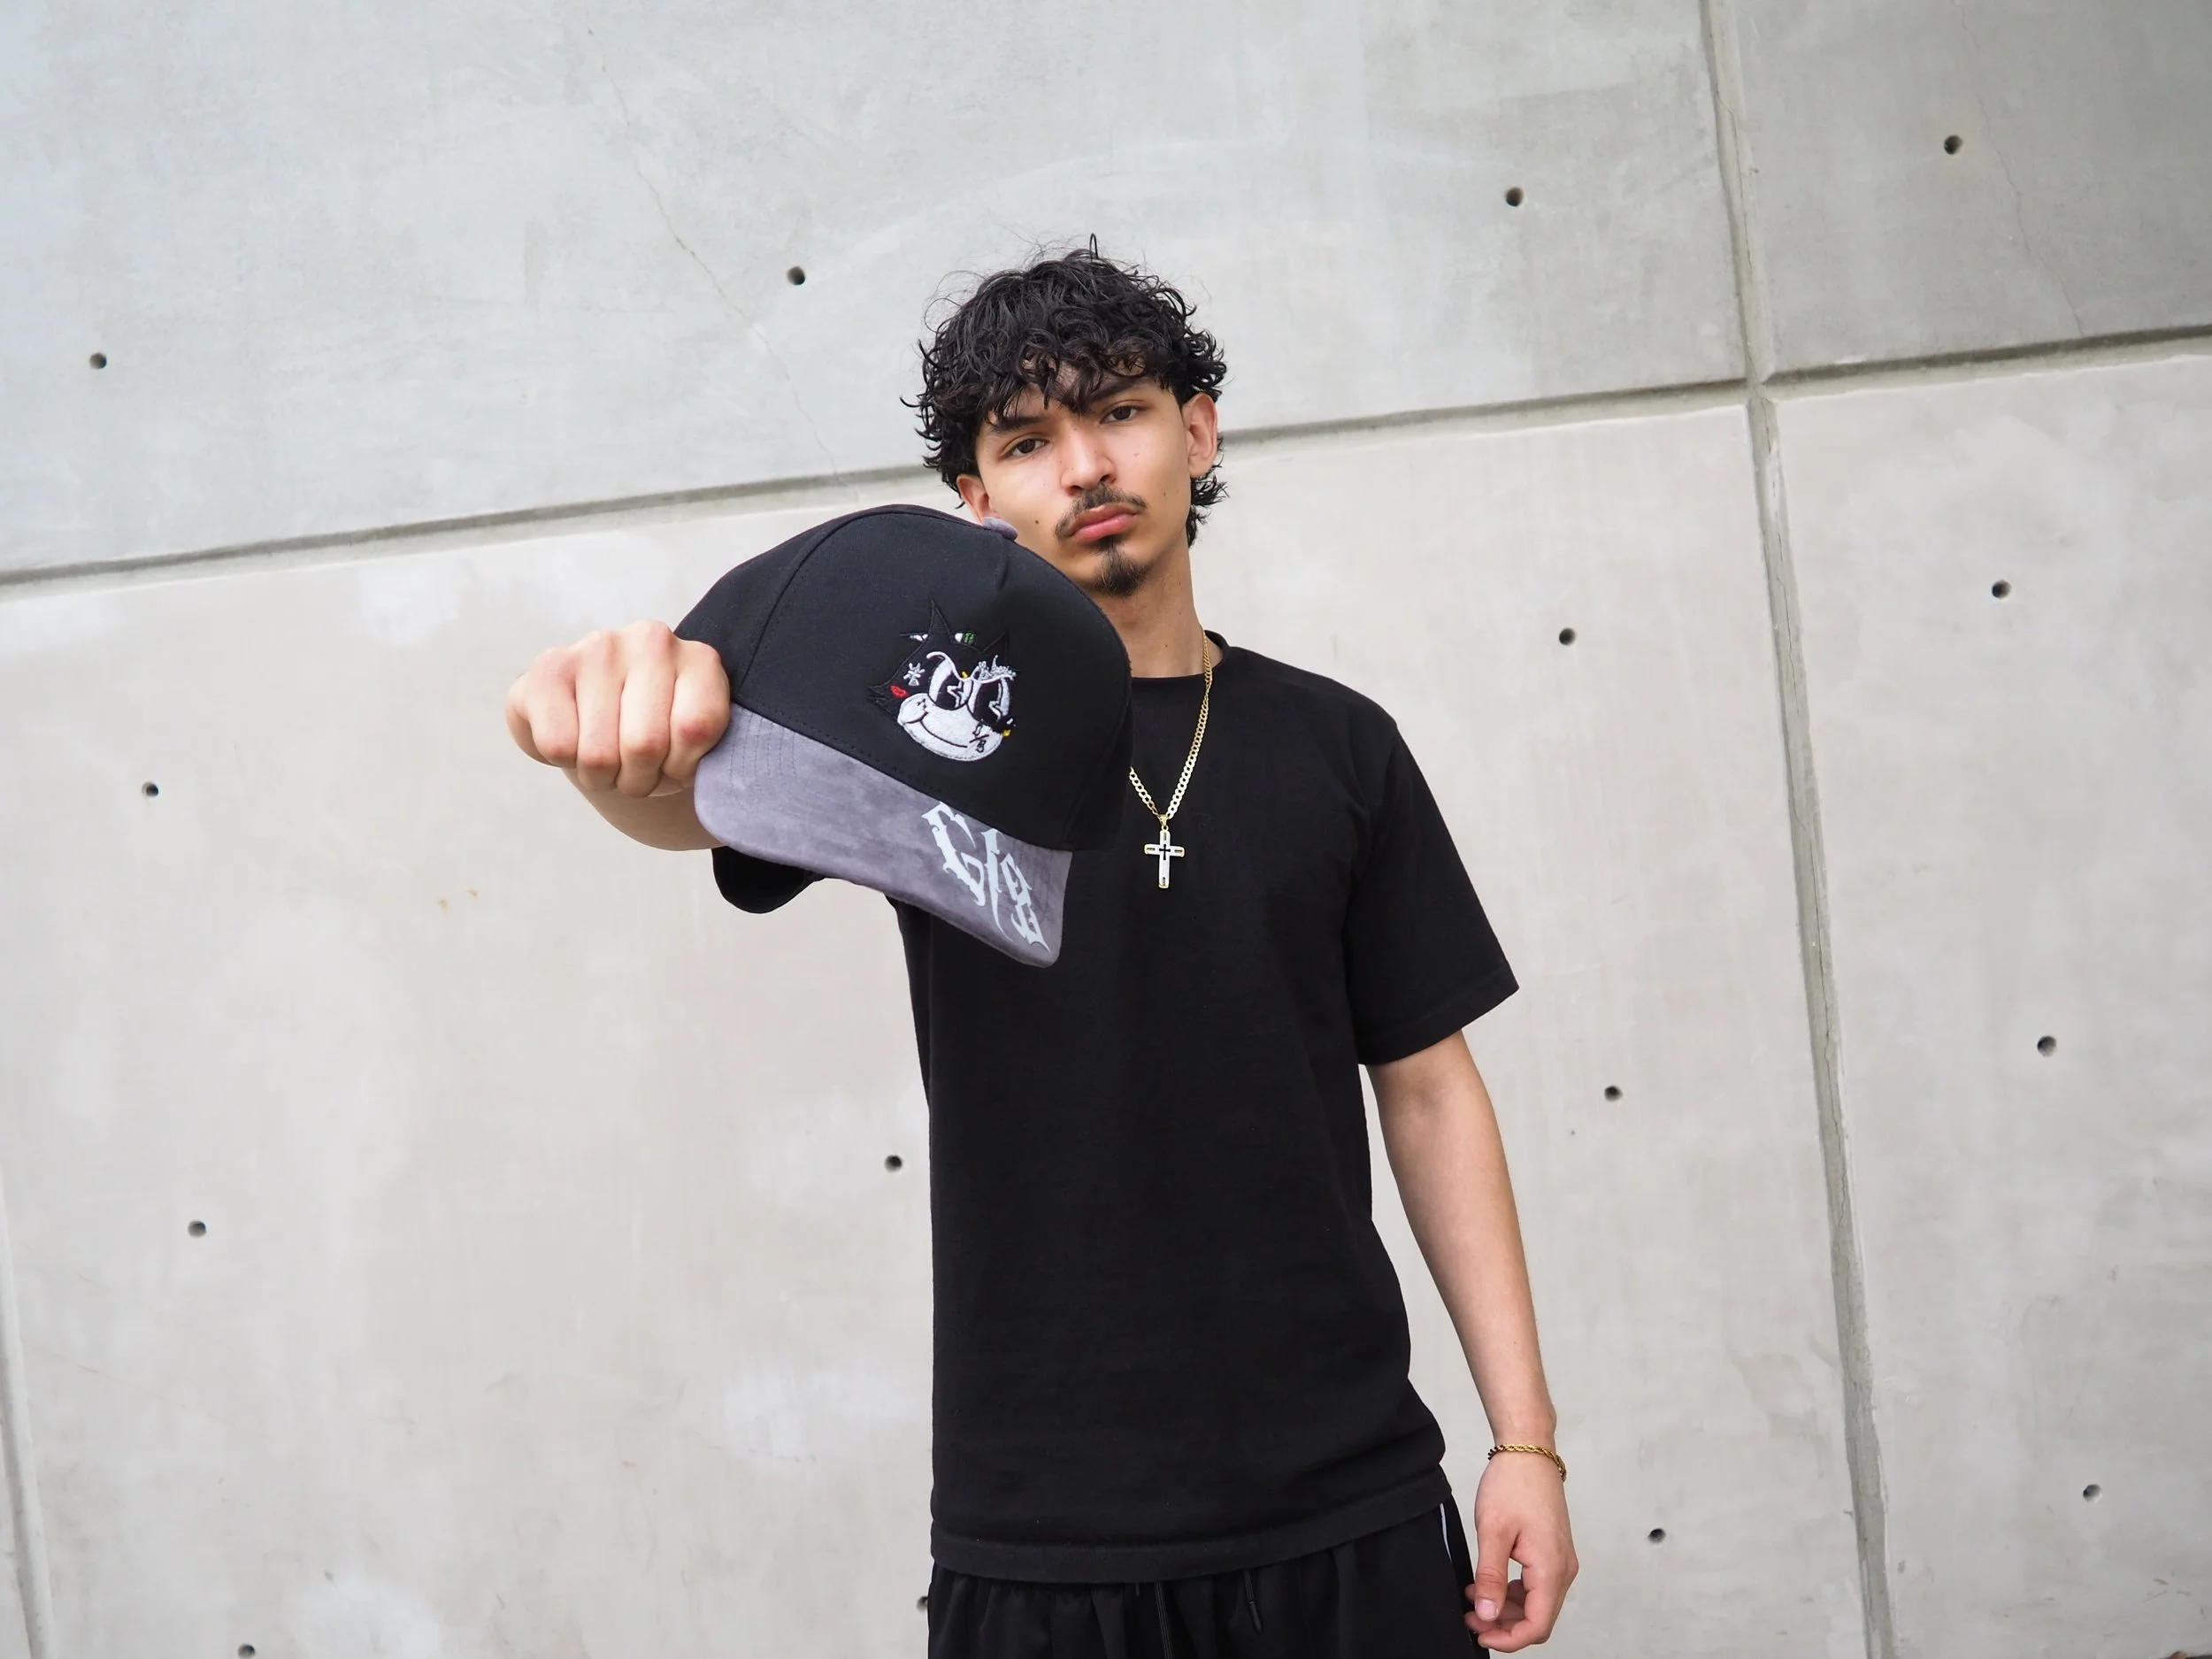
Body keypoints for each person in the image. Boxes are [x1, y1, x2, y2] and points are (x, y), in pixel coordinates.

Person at [504, 248, 1577, 1655]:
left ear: (1195, 431)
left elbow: (1430, 1087)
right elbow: (689, 808)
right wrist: (605, 744)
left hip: (1349, 1500)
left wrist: (1526, 1440)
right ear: (977, 500)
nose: (1082, 464)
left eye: (1118, 412)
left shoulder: (1340, 745)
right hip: (1044, 1522)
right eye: (1025, 440)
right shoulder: (942, 741)